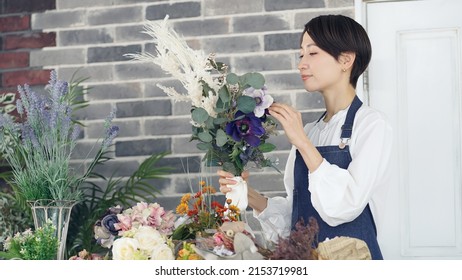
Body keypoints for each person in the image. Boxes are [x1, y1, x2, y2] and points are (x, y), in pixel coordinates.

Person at [218, 14, 392, 260]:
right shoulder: (311, 130)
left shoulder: (372, 124)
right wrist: (249, 195)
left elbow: (345, 206)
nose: (301, 63)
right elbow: (297, 216)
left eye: (312, 53)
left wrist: (302, 142)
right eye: (301, 54)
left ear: (346, 60)